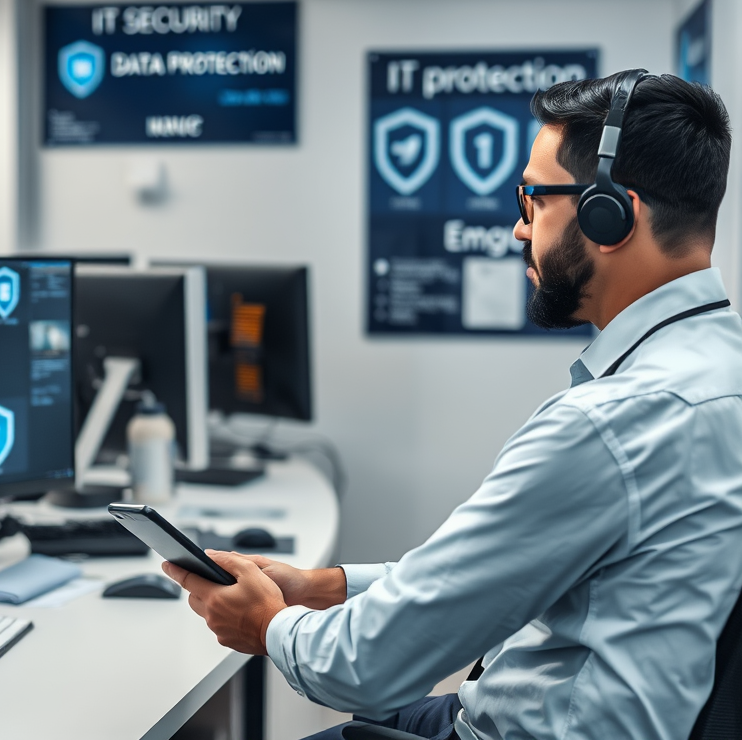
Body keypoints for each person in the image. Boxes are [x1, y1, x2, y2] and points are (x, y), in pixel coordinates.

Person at [162, 70, 742, 740]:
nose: (518, 230)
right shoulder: (714, 374)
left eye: (533, 200)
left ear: (609, 214)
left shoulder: (609, 424)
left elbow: (360, 667)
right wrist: (323, 587)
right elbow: (485, 577)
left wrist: (265, 625)